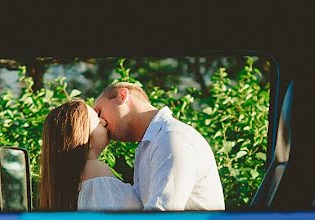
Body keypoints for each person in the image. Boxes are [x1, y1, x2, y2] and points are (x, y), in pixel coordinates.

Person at [94, 82, 224, 211]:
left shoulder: (172, 136)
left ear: (122, 96)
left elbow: (162, 213)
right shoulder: (151, 143)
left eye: (99, 113)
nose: (100, 122)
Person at [39, 99, 143, 211]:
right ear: (81, 133)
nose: (104, 122)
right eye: (97, 121)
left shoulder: (60, 183)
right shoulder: (96, 170)